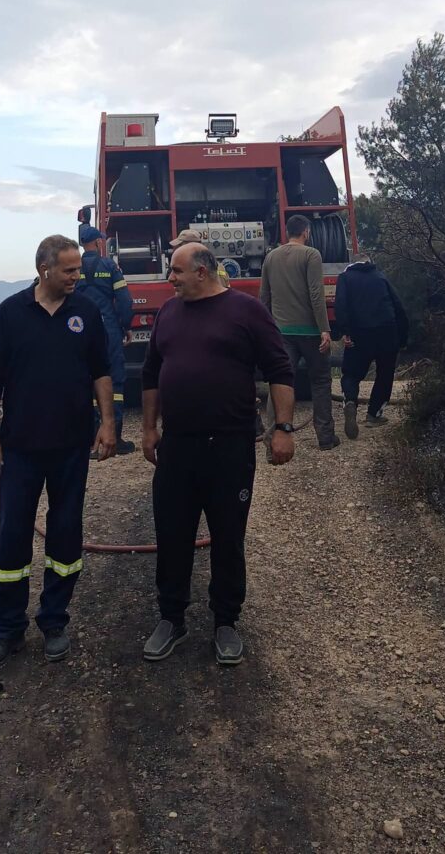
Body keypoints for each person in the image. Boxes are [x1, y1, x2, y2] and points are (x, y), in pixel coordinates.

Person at [140, 242, 296, 666]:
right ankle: (171, 619)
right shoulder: (168, 314)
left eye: (176, 270)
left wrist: (282, 429)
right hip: (178, 448)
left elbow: (280, 369)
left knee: (228, 537)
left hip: (229, 447)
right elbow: (151, 373)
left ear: (203, 272)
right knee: (172, 535)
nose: (169, 278)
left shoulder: (246, 312)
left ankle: (226, 622)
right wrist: (150, 428)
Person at [0, 235, 117, 671]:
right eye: (70, 270)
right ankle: (8, 630)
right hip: (20, 447)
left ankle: (54, 621)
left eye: (78, 268)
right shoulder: (11, 313)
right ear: (44, 269)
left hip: (71, 447)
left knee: (65, 535)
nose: (78, 276)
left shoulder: (86, 312)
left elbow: (101, 371)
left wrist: (109, 424)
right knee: (13, 537)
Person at [259, 214, 339, 450]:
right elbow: (317, 294)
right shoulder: (311, 255)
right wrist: (324, 329)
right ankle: (325, 437)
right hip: (311, 333)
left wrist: (265, 329)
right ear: (306, 232)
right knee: (321, 382)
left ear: (287, 232)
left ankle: (273, 436)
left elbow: (264, 297)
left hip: (281, 332)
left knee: (280, 382)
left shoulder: (270, 257)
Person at [333, 258, 409, 440]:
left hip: (359, 333)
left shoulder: (345, 278)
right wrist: (402, 338)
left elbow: (340, 305)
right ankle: (374, 414)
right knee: (385, 373)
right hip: (387, 331)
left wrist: (345, 331)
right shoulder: (380, 276)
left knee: (351, 373)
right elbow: (399, 307)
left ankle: (350, 401)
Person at [76, 226, 135, 455]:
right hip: (107, 329)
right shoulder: (109, 266)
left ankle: (91, 439)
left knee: (86, 382)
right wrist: (126, 326)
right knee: (115, 381)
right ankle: (115, 438)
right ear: (99, 243)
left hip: (80, 331)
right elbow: (124, 300)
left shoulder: (74, 267)